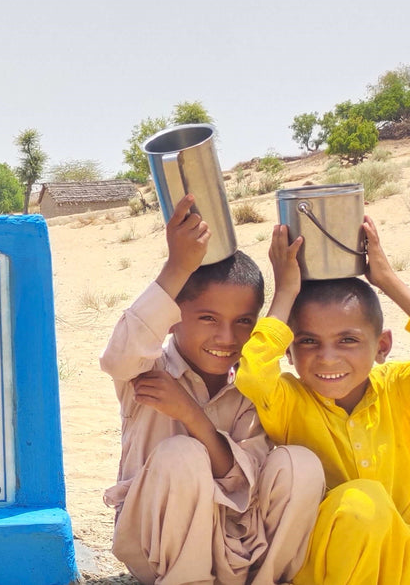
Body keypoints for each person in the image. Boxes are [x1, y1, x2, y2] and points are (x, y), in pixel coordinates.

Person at [100, 194, 324, 584]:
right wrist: (177, 266)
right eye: (207, 318)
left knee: (300, 464)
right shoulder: (146, 367)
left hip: (237, 545)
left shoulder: (250, 383)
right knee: (181, 456)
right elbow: (117, 357)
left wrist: (191, 414)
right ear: (171, 318)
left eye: (242, 322)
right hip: (160, 546)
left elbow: (240, 479)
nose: (226, 336)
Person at [236, 217, 410, 583]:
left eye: (347, 340)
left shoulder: (398, 388)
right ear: (288, 350)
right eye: (308, 341)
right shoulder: (289, 399)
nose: (327, 358)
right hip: (328, 565)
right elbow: (252, 373)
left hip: (398, 561)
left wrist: (388, 280)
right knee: (365, 503)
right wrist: (285, 292)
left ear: (382, 346)